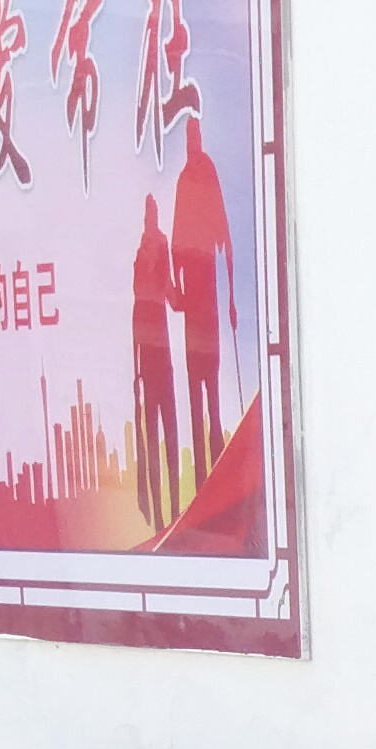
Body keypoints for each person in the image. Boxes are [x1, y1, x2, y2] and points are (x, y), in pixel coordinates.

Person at [170, 106, 237, 479]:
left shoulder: (207, 171)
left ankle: (219, 473)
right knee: (195, 388)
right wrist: (177, 288)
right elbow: (175, 242)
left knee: (211, 383)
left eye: (194, 136)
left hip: (208, 291)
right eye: (188, 138)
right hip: (193, 294)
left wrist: (231, 299)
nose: (191, 143)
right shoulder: (183, 180)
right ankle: (201, 479)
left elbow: (224, 233)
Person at [128, 192, 178, 528]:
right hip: (150, 359)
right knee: (156, 434)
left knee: (167, 432)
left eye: (153, 212)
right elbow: (146, 302)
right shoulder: (145, 252)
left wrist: (185, 299)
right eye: (149, 213)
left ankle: (172, 511)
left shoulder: (159, 245)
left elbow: (171, 293)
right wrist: (136, 372)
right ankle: (161, 515)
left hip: (159, 356)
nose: (151, 218)